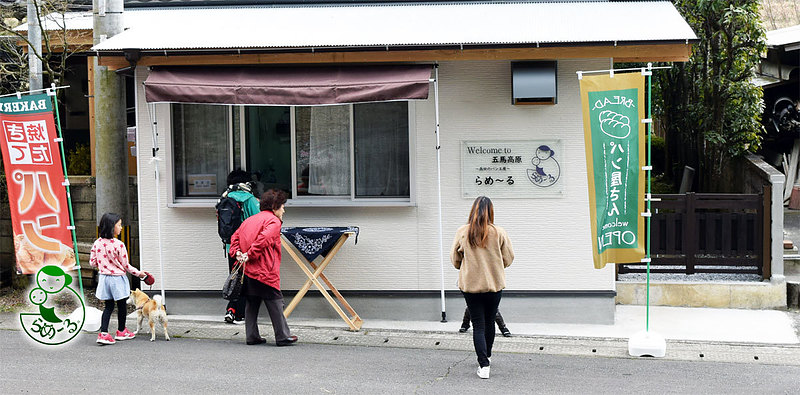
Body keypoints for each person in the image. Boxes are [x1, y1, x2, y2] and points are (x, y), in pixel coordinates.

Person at [451, 196, 514, 379]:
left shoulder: (463, 231)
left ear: (473, 210)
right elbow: (508, 259)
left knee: (477, 324)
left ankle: (483, 365)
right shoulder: (499, 232)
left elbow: (455, 259)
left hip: (470, 285)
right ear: (491, 212)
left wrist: (465, 265)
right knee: (489, 321)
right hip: (494, 284)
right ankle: (487, 356)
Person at [229, 189, 298, 347]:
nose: (284, 210)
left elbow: (235, 237)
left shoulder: (249, 220)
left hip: (247, 270)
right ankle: (282, 336)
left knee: (252, 302)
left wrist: (238, 253)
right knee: (275, 301)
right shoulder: (273, 221)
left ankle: (252, 336)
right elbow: (264, 239)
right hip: (265, 270)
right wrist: (251, 253)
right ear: (274, 207)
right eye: (282, 206)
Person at [90, 213, 148, 345]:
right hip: (117, 279)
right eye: (119, 225)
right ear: (112, 227)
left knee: (108, 306)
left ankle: (103, 333)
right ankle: (121, 331)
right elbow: (126, 265)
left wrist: (103, 264)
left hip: (104, 279)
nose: (121, 228)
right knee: (122, 305)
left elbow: (92, 263)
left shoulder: (97, 243)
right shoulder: (119, 245)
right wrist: (139, 273)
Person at [220, 169, 260, 324]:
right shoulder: (249, 199)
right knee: (245, 280)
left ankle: (231, 309)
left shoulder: (225, 198)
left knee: (234, 277)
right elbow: (259, 220)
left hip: (230, 245)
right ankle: (239, 314)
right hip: (246, 247)